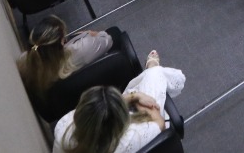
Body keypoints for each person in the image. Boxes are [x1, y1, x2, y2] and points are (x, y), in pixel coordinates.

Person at [51, 56, 186, 153]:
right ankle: (153, 68)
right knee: (155, 77)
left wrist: (133, 96)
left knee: (151, 78)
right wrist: (136, 97)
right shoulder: (128, 140)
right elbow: (159, 122)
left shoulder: (63, 127)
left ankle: (152, 69)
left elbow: (98, 111)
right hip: (148, 127)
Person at [16, 15, 114, 107]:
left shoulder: (25, 60)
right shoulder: (78, 53)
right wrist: (93, 34)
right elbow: (108, 41)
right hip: (58, 101)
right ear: (61, 45)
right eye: (64, 38)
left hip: (47, 103)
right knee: (114, 32)